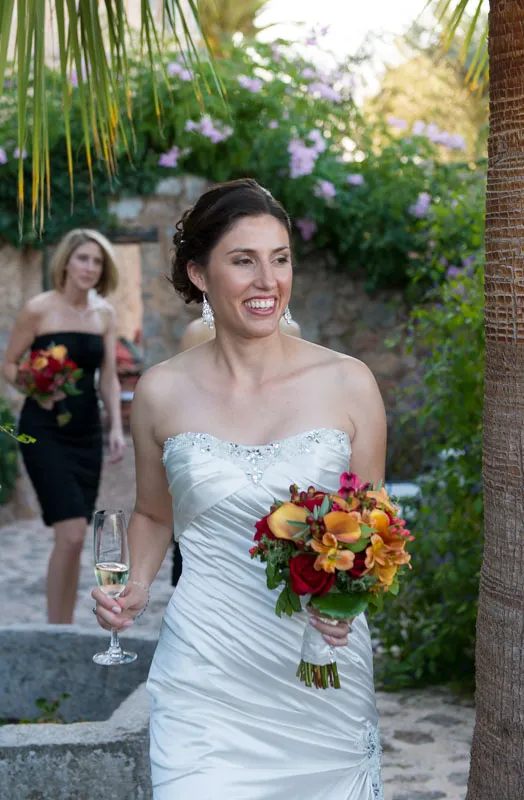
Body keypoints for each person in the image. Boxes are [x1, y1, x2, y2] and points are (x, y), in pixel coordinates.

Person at [92, 179, 386, 799]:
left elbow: (373, 528)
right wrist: (136, 588)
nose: (267, 281)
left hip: (320, 669)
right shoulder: (160, 392)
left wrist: (347, 598)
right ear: (199, 273)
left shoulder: (349, 383)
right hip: (206, 669)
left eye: (280, 259)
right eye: (243, 260)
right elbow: (151, 514)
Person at [3, 229, 125, 624]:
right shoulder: (39, 309)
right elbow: (8, 364)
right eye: (83, 259)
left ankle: (65, 625)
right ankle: (59, 628)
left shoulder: (105, 314)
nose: (90, 268)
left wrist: (116, 428)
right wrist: (35, 387)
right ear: (67, 262)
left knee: (74, 541)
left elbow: (108, 377)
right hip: (44, 430)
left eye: (97, 262)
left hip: (87, 432)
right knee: (71, 533)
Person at [171, 313, 301, 586]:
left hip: (272, 455)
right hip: (212, 457)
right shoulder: (197, 331)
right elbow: (184, 401)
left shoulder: (290, 330)